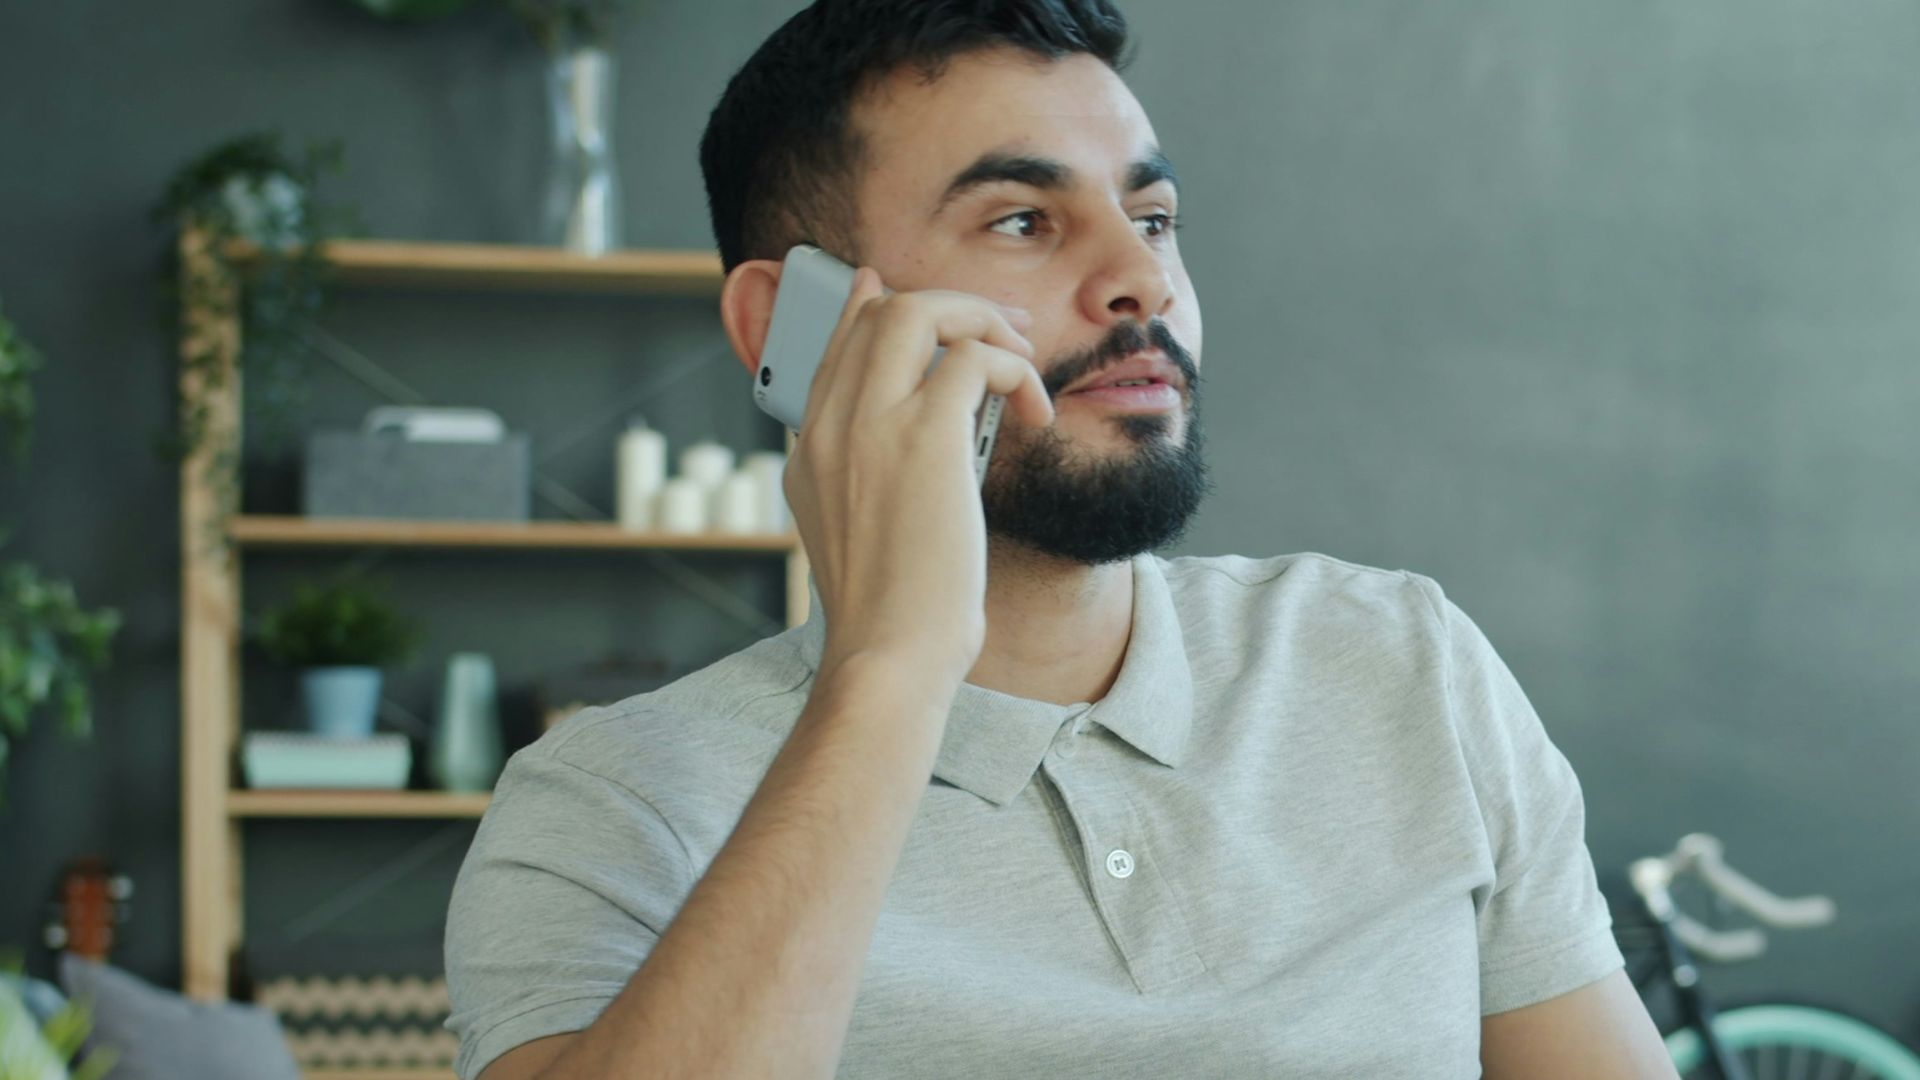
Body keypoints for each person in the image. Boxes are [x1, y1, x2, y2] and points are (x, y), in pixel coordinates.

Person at [444, 2, 1677, 1077]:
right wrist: (891, 671)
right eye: (1023, 221)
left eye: (1154, 214)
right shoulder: (610, 807)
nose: (1140, 276)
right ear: (794, 325)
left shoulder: (1404, 664)